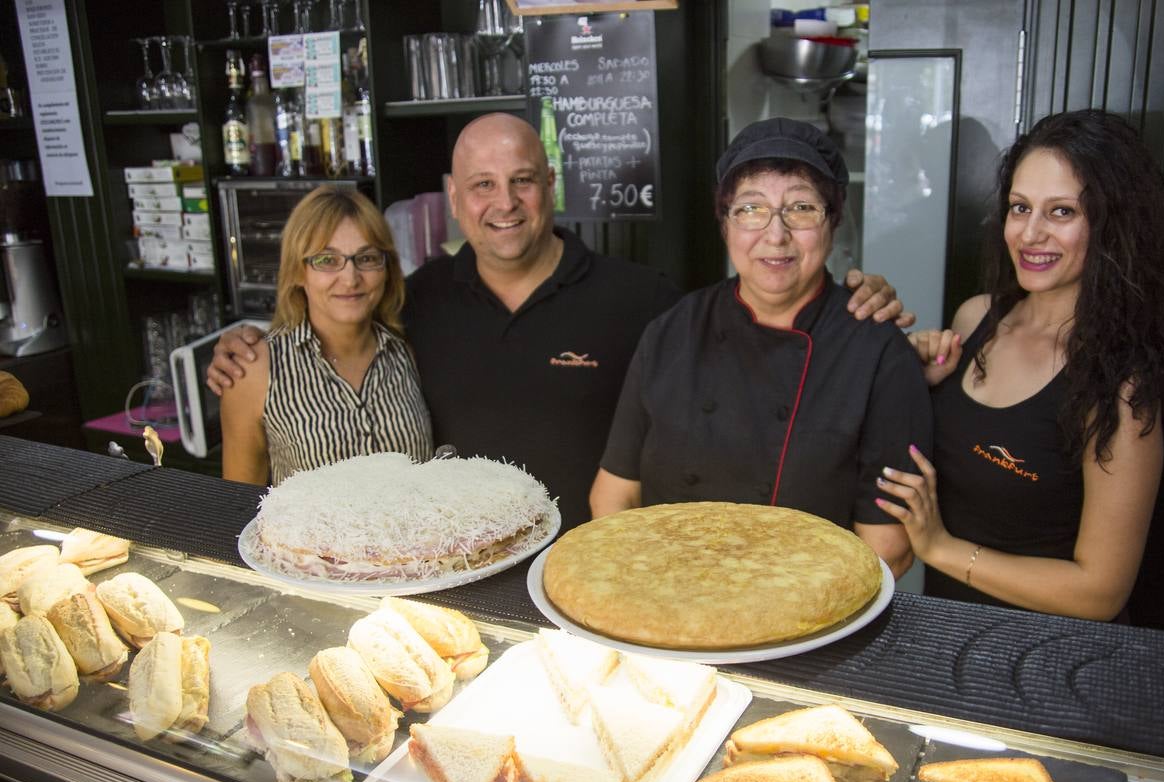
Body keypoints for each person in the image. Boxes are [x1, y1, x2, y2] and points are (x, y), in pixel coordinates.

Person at [208, 114, 913, 530]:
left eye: (522, 181)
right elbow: (338, 319)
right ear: (455, 200)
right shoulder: (411, 303)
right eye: (482, 185)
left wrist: (850, 302)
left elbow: (754, 327)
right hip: (457, 574)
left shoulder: (645, 301)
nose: (504, 203)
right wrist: (251, 345)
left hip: (589, 576)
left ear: (551, 187)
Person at [875, 109, 1164, 620]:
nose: (1030, 233)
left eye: (1062, 212)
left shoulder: (1121, 386)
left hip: (1049, 656)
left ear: (1112, 224)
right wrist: (919, 388)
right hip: (947, 629)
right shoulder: (975, 319)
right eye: (1020, 208)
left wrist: (941, 549)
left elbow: (1101, 593)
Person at [589, 118, 933, 577]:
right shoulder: (672, 331)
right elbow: (613, 496)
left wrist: (767, 611)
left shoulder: (878, 353)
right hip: (666, 598)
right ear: (725, 222)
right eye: (751, 209)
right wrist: (648, 592)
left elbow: (886, 551)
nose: (776, 234)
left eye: (802, 208)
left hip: (806, 620)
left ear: (833, 221)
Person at [220, 186, 434, 485]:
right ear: (297, 271)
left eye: (367, 258)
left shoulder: (408, 350)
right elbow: (238, 505)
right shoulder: (254, 369)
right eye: (326, 260)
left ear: (387, 269)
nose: (350, 279)